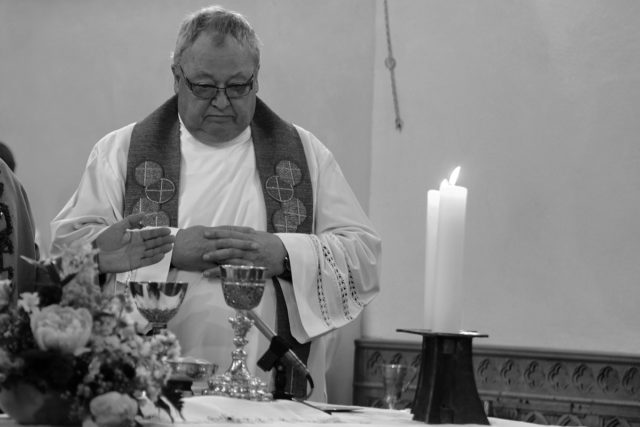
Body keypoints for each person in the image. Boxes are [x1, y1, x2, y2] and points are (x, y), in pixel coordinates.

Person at [51, 4, 381, 402]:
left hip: (273, 394)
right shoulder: (119, 153)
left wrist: (286, 252)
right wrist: (169, 250)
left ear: (257, 79)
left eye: (238, 85)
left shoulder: (305, 156)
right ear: (177, 77)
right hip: (146, 398)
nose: (223, 101)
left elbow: (364, 258)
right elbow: (67, 254)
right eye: (205, 87)